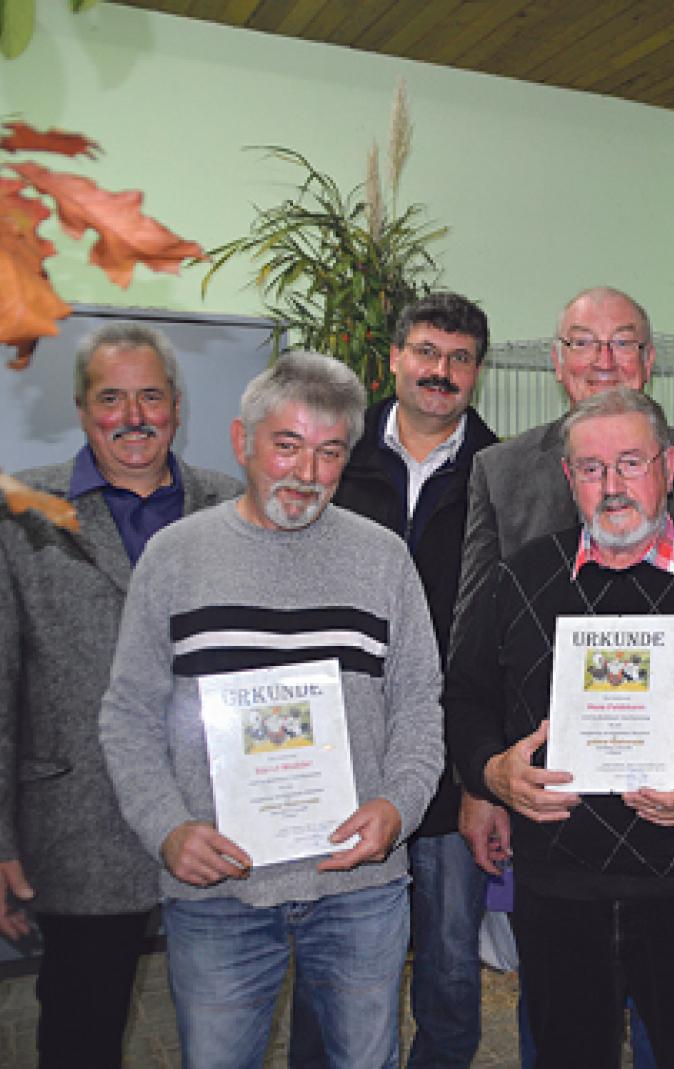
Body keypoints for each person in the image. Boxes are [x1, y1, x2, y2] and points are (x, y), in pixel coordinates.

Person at [99, 350, 444, 1068]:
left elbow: (418, 701)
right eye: (287, 445)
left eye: (329, 452)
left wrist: (398, 806)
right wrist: (167, 829)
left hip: (358, 888)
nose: (307, 473)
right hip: (219, 891)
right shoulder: (174, 557)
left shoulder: (383, 559)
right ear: (241, 441)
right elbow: (128, 714)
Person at [446, 388, 674, 1068]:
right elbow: (468, 696)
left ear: (669, 467)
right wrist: (491, 772)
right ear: (569, 478)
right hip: (561, 887)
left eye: (630, 462)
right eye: (592, 468)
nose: (612, 485)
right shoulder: (521, 578)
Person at [0, 322, 240, 1067]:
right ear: (81, 408)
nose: (133, 416)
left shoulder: (232, 505)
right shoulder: (21, 512)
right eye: (111, 398)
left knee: (227, 1025)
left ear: (176, 406)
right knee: (81, 1030)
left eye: (150, 396)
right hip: (80, 828)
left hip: (217, 819)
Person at [453, 284, 674, 889]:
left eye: (622, 344)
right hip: (548, 808)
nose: (603, 361)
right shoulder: (501, 470)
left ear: (650, 359)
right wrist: (483, 783)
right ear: (558, 362)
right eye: (583, 344)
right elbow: (472, 648)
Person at [283, 293, 497, 1068]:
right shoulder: (335, 455)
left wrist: (481, 776)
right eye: (427, 352)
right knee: (329, 961)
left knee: (448, 967)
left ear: (477, 370)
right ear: (396, 357)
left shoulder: (498, 473)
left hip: (446, 764)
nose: (441, 371)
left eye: (460, 358)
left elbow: (499, 637)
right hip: (333, 757)